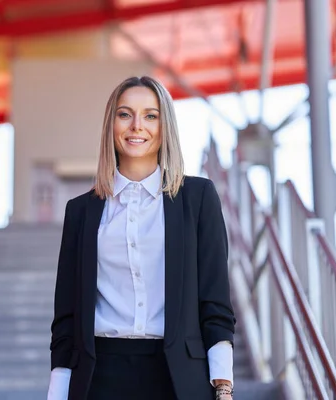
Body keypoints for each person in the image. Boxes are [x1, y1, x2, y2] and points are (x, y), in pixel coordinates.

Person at [47, 76, 235, 400]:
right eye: (125, 114)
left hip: (177, 378)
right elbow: (66, 320)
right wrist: (57, 393)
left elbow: (215, 301)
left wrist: (223, 385)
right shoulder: (80, 212)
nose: (137, 126)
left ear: (165, 126)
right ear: (111, 124)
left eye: (150, 115)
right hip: (99, 378)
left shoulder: (198, 198)